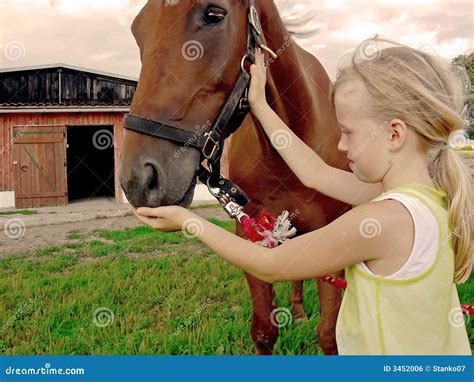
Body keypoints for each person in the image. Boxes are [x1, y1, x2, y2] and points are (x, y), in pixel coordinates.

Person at [134, 38, 472, 355]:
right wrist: (261, 107)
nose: (340, 146)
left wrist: (190, 222)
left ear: (394, 134)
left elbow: (271, 265)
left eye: (348, 133)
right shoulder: (428, 197)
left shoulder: (380, 220)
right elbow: (315, 172)